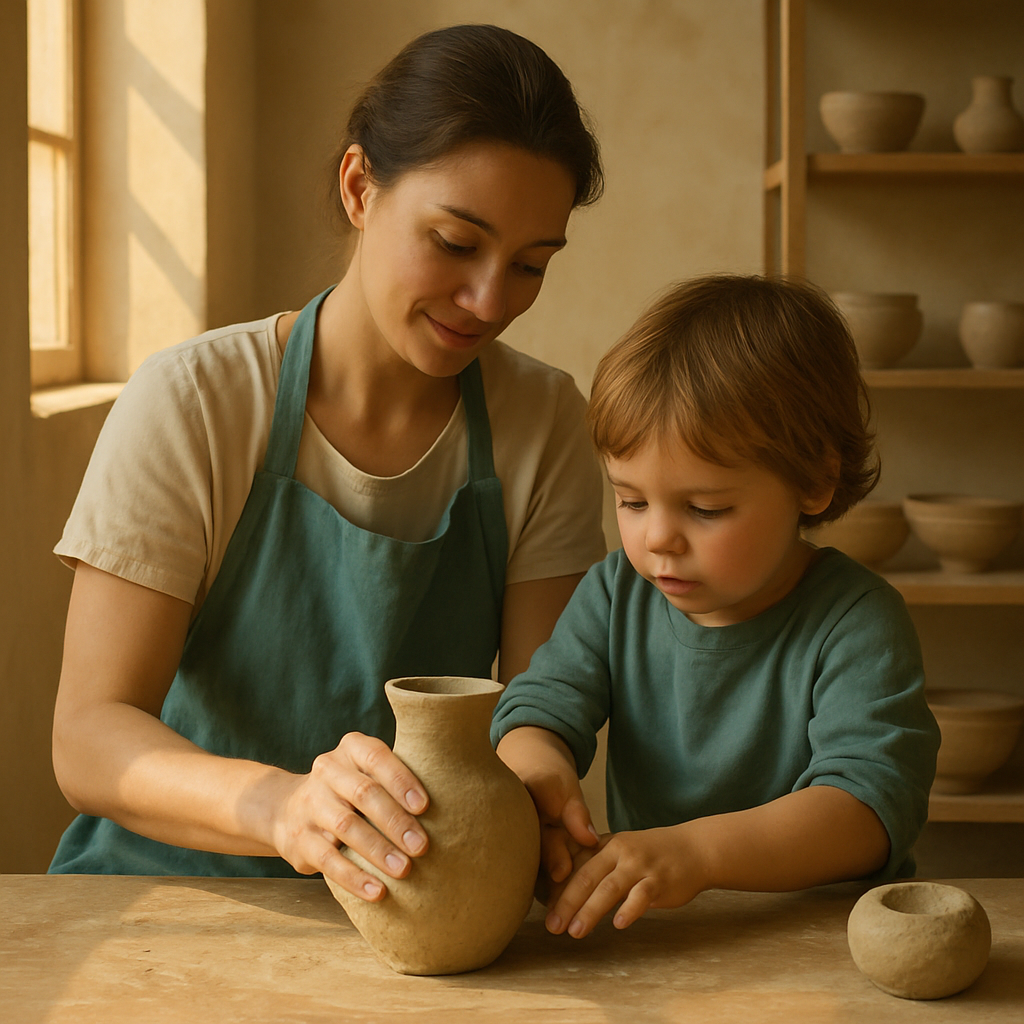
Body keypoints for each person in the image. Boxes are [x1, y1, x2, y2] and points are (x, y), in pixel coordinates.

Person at [48, 25, 608, 902]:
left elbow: (538, 708)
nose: (491, 300)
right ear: (359, 187)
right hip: (160, 899)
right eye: (457, 243)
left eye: (531, 266)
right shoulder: (195, 401)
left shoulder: (542, 422)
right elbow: (87, 738)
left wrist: (534, 786)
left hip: (408, 898)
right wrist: (281, 807)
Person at [492, 275, 940, 940]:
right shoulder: (617, 593)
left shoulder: (857, 621)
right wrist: (537, 775)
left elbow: (868, 807)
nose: (656, 538)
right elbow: (538, 708)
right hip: (662, 939)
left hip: (824, 944)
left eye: (705, 509)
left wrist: (697, 854)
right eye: (632, 501)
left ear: (814, 481)